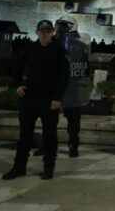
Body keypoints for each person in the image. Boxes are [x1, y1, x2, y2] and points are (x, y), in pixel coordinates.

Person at [3, 20, 69, 180]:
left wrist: (57, 98)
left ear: (52, 33)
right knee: (24, 135)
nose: (45, 34)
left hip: (49, 99)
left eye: (48, 31)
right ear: (37, 32)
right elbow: (16, 66)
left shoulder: (59, 51)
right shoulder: (29, 49)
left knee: (50, 135)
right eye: (42, 31)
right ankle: (19, 168)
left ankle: (48, 168)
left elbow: (63, 77)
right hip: (29, 98)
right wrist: (17, 84)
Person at [34, 16, 91, 159]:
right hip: (53, 86)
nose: (59, 28)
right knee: (48, 118)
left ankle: (73, 145)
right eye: (59, 25)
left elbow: (84, 68)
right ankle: (47, 145)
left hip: (72, 85)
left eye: (63, 26)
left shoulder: (80, 46)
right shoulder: (51, 43)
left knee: (73, 118)